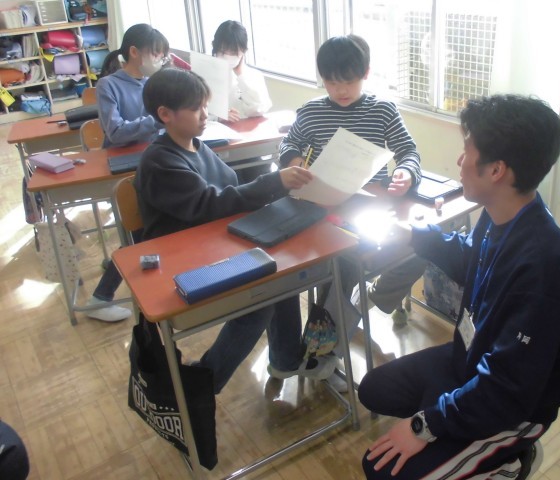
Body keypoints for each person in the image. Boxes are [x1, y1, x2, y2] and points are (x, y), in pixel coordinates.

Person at [358, 94, 560, 479]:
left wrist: (425, 425)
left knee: (381, 472)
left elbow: (506, 388)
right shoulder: (504, 213)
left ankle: (512, 457)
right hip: (473, 360)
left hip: (515, 405)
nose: (460, 161)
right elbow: (472, 257)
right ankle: (462, 432)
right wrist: (416, 236)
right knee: (375, 390)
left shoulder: (542, 266)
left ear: (496, 170)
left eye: (467, 151)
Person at [134, 67, 337, 393]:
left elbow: (229, 189)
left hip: (217, 244)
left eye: (205, 105)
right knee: (259, 304)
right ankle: (205, 383)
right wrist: (273, 182)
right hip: (182, 265)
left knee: (280, 275)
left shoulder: (195, 145)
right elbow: (211, 204)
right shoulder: (159, 162)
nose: (206, 115)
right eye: (196, 108)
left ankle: (286, 359)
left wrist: (277, 187)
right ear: (165, 114)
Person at [279, 34, 424, 367]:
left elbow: (408, 151)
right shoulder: (312, 111)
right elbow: (288, 145)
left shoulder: (382, 110)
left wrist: (406, 172)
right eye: (332, 82)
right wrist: (294, 162)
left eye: (349, 82)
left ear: (366, 74)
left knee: (422, 246)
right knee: (343, 263)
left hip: (371, 206)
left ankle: (363, 301)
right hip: (326, 207)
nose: (341, 90)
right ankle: (325, 351)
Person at [84, 24, 170, 322]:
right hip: (125, 167)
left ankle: (140, 276)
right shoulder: (109, 85)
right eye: (156, 54)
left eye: (162, 55)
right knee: (140, 232)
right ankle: (100, 298)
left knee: (148, 230)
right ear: (134, 52)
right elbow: (116, 132)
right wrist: (158, 120)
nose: (159, 60)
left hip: (154, 161)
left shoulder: (154, 82)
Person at [211, 20, 273, 182]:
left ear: (243, 51)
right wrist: (218, 115)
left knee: (259, 175)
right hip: (220, 144)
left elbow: (258, 109)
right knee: (231, 178)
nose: (226, 55)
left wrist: (240, 75)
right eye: (222, 51)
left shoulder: (253, 75)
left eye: (232, 51)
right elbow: (195, 110)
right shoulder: (206, 73)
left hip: (248, 142)